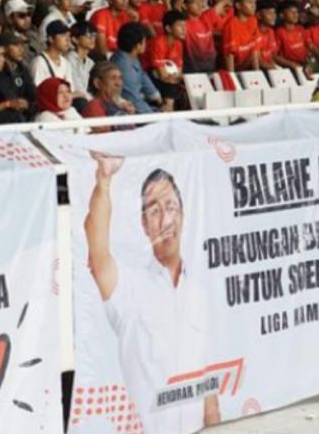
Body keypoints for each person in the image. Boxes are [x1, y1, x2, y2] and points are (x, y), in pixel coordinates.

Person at [84, 154, 220, 431]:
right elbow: (97, 248)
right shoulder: (129, 288)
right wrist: (104, 182)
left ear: (182, 216)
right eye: (155, 210)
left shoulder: (199, 294)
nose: (165, 219)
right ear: (144, 224)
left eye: (171, 207)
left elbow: (209, 389)